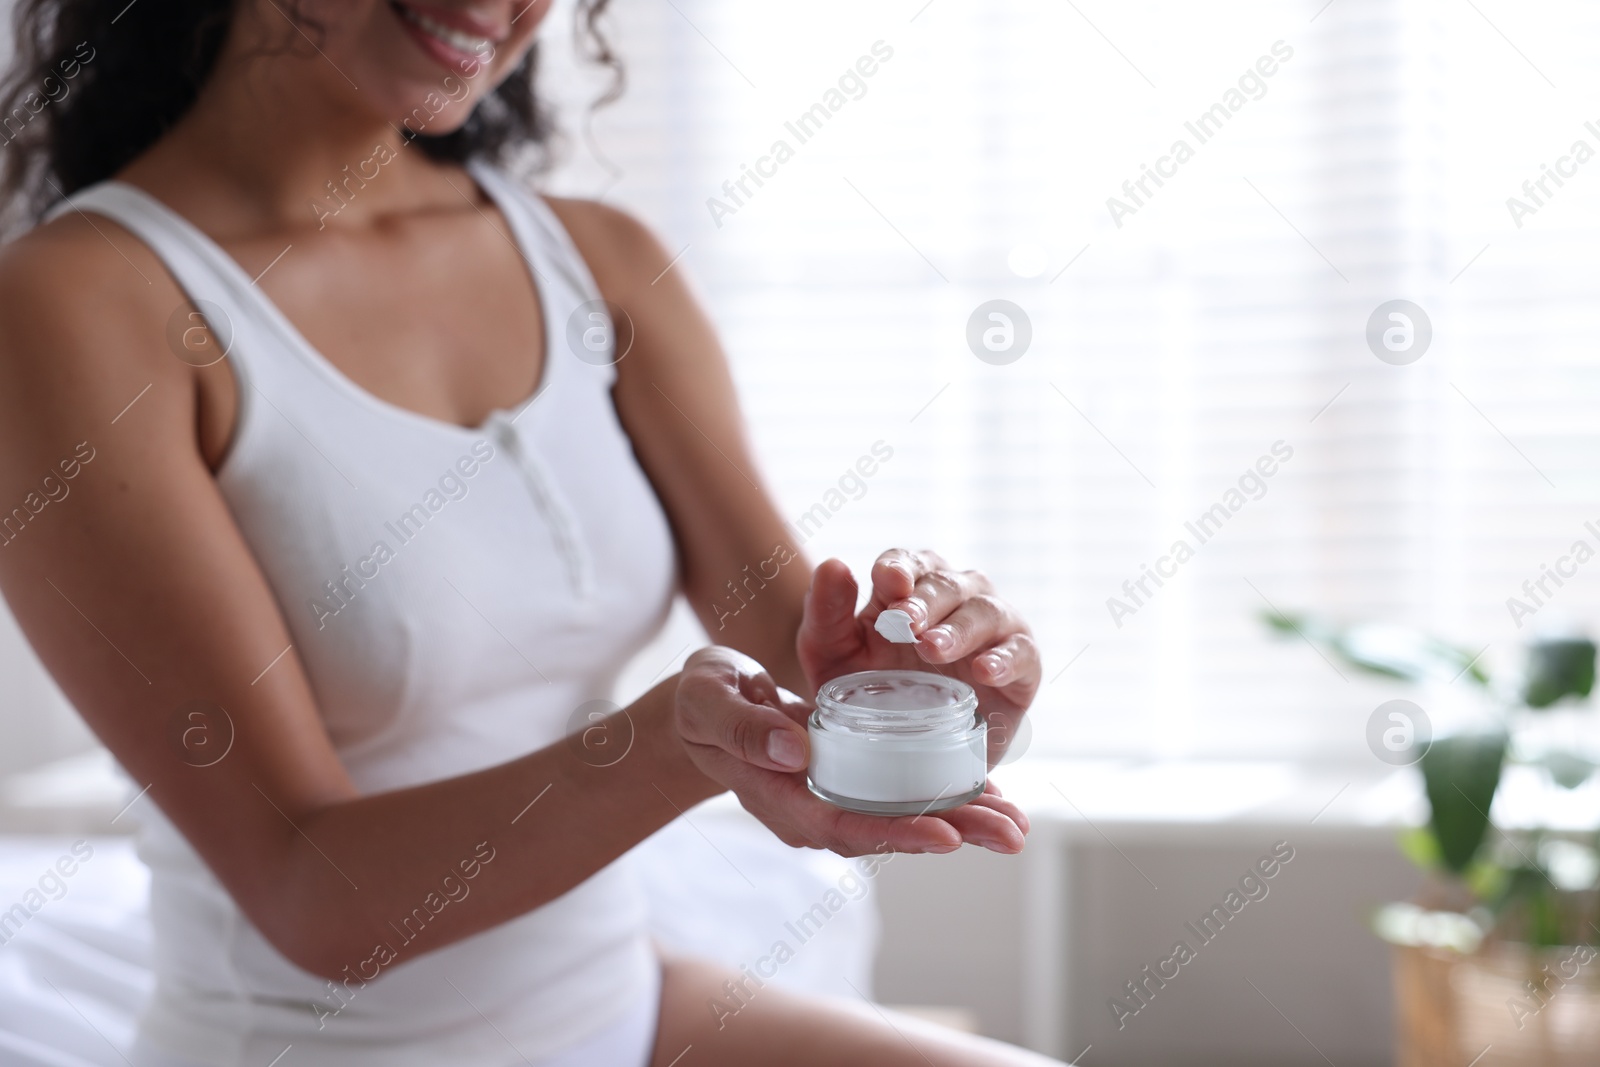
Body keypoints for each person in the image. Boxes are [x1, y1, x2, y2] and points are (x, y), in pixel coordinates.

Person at [0, 2, 1053, 1064]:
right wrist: (673, 746)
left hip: (623, 1011)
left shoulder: (594, 259)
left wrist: (926, 686)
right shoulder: (75, 304)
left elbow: (810, 663)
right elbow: (308, 890)